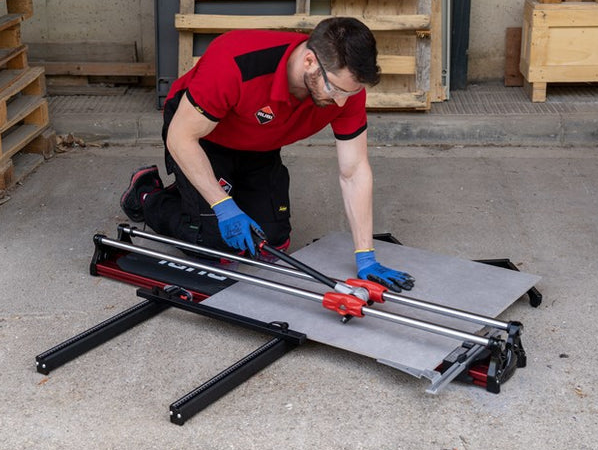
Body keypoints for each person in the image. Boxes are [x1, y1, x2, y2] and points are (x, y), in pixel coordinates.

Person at [120, 16, 414, 293]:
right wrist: (222, 206)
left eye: (348, 93)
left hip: (259, 144)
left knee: (270, 243)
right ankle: (147, 194)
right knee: (217, 247)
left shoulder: (346, 90)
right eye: (335, 89)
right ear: (310, 61)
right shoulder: (236, 62)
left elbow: (354, 170)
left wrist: (365, 255)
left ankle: (196, 190)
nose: (340, 102)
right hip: (203, 137)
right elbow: (181, 137)